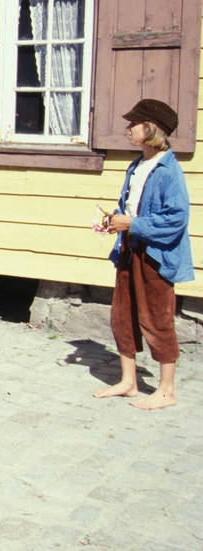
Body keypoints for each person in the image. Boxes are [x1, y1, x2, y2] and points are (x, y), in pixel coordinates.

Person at [93, 99, 192, 410]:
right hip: (129, 250)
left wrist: (132, 224)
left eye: (133, 124)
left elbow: (176, 219)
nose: (127, 129)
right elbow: (130, 208)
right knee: (122, 315)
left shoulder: (168, 170)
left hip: (156, 256)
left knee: (157, 318)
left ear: (151, 129)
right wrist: (114, 221)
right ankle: (129, 381)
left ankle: (166, 391)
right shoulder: (136, 166)